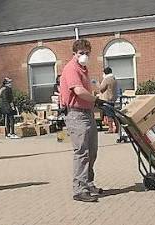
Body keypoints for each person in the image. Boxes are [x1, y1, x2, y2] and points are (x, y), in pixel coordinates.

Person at [60, 39, 104, 202]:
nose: (84, 56)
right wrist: (96, 100)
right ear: (74, 54)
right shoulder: (71, 68)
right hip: (76, 114)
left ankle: (88, 182)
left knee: (92, 151)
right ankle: (79, 189)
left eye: (87, 53)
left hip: (87, 113)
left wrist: (96, 103)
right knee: (82, 152)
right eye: (81, 53)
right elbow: (78, 91)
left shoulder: (83, 68)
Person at [99, 67, 118, 133]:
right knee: (112, 114)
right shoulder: (113, 78)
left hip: (106, 99)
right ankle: (115, 128)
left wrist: (96, 83)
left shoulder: (107, 79)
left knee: (109, 114)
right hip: (112, 98)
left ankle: (111, 128)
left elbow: (101, 88)